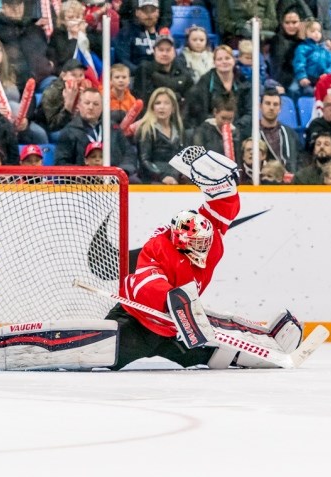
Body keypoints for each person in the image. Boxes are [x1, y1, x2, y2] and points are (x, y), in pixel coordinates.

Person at [103, 146, 304, 371]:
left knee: (217, 353)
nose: (205, 247)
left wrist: (223, 187)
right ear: (181, 243)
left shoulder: (209, 236)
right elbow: (144, 283)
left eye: (205, 241)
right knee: (103, 352)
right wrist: (173, 299)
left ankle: (267, 345)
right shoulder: (158, 247)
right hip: (136, 322)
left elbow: (224, 206)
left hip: (174, 329)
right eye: (198, 244)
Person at [54, 87, 138, 178]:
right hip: (81, 186)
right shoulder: (69, 131)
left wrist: (120, 172)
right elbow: (61, 164)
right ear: (79, 105)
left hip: (113, 182)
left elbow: (129, 154)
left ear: (102, 107)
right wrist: (87, 174)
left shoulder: (113, 128)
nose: (91, 107)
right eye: (87, 103)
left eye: (96, 104)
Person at [235, 88, 302, 173]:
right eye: (267, 103)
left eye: (275, 104)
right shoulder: (248, 133)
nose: (271, 108)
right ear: (260, 106)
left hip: (288, 183)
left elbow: (299, 161)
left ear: (280, 108)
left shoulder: (291, 134)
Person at [184, 45, 250, 130]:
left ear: (234, 60)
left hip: (238, 129)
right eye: (219, 59)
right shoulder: (205, 82)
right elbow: (200, 111)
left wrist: (236, 127)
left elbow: (249, 112)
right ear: (214, 63)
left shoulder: (243, 81)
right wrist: (219, 124)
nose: (224, 62)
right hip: (211, 129)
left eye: (227, 58)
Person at [132, 30, 194, 113]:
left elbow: (191, 100)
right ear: (154, 52)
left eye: (168, 50)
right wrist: (177, 97)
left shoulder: (183, 72)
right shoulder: (145, 69)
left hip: (178, 116)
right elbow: (145, 99)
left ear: (174, 52)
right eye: (161, 50)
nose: (164, 54)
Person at [135, 87, 184, 184]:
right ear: (152, 107)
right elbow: (144, 161)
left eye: (166, 103)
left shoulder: (178, 130)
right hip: (153, 178)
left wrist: (179, 175)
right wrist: (162, 176)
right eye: (158, 103)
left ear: (173, 108)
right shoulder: (146, 129)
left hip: (175, 176)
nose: (162, 107)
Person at [40, 58, 88, 133]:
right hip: (54, 129)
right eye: (73, 75)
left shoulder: (86, 90)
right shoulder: (51, 93)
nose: (78, 79)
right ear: (64, 76)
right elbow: (53, 125)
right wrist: (69, 104)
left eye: (81, 75)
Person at [291, 19, 331, 97]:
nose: (316, 33)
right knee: (298, 90)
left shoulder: (325, 49)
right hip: (307, 79)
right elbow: (299, 63)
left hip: (321, 79)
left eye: (318, 31)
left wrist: (327, 73)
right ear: (306, 32)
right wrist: (302, 77)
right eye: (312, 31)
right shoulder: (302, 48)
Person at [114, 0, 161, 74]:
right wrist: (141, 72)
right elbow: (123, 60)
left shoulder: (163, 33)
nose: (149, 15)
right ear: (137, 12)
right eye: (145, 11)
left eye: (152, 11)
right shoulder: (127, 33)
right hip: (136, 76)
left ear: (157, 12)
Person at [190, 93, 235, 157]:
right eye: (223, 118)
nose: (226, 122)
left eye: (230, 119)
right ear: (215, 112)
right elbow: (198, 156)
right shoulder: (203, 131)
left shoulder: (235, 133)